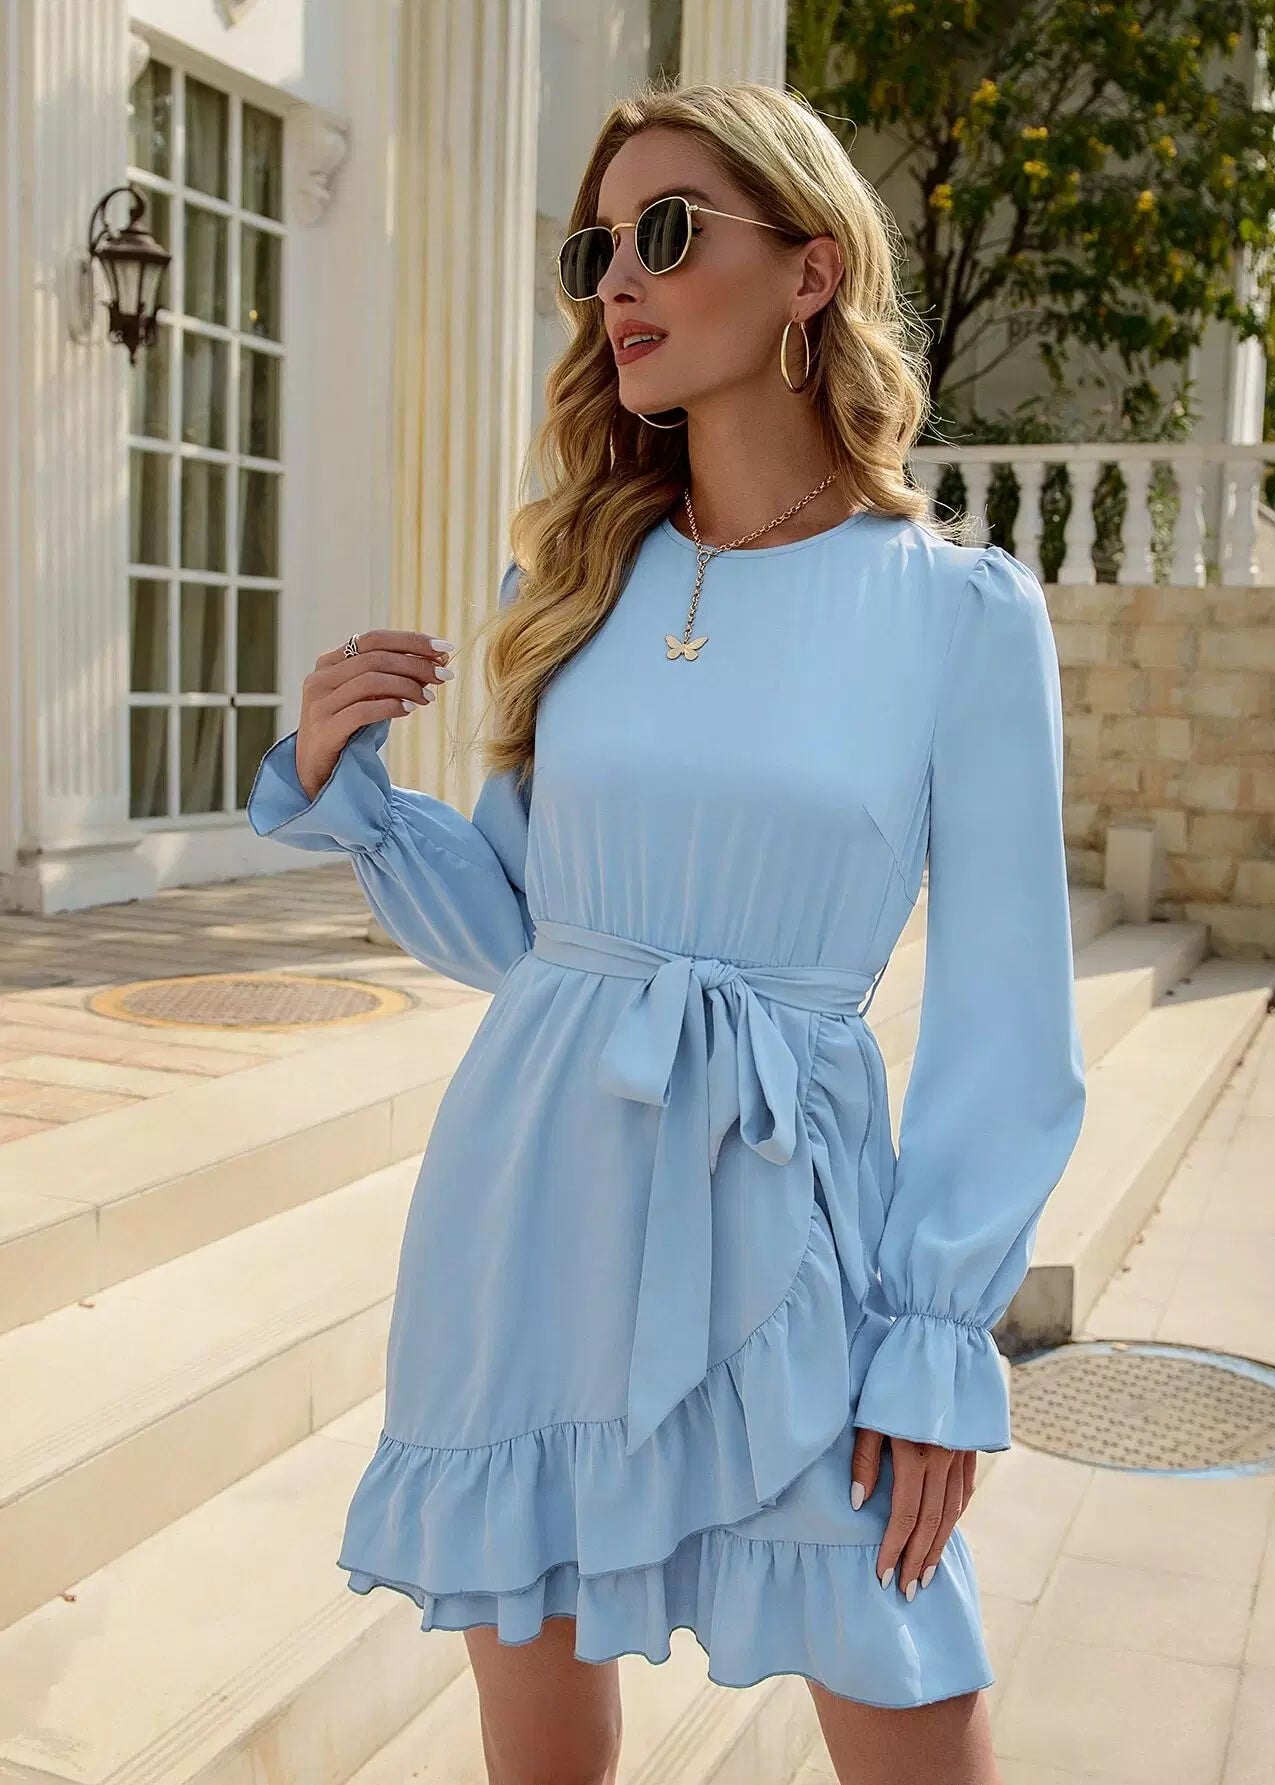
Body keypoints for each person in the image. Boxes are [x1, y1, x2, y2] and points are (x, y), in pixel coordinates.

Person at [247, 78, 1086, 1785]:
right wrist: (355, 795)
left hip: (794, 1230)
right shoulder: (569, 586)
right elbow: (528, 933)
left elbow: (1009, 1016)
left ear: (811, 269)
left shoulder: (955, 614)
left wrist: (937, 1339)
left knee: (908, 1686)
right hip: (531, 1209)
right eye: (596, 249)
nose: (617, 280)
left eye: (668, 233)